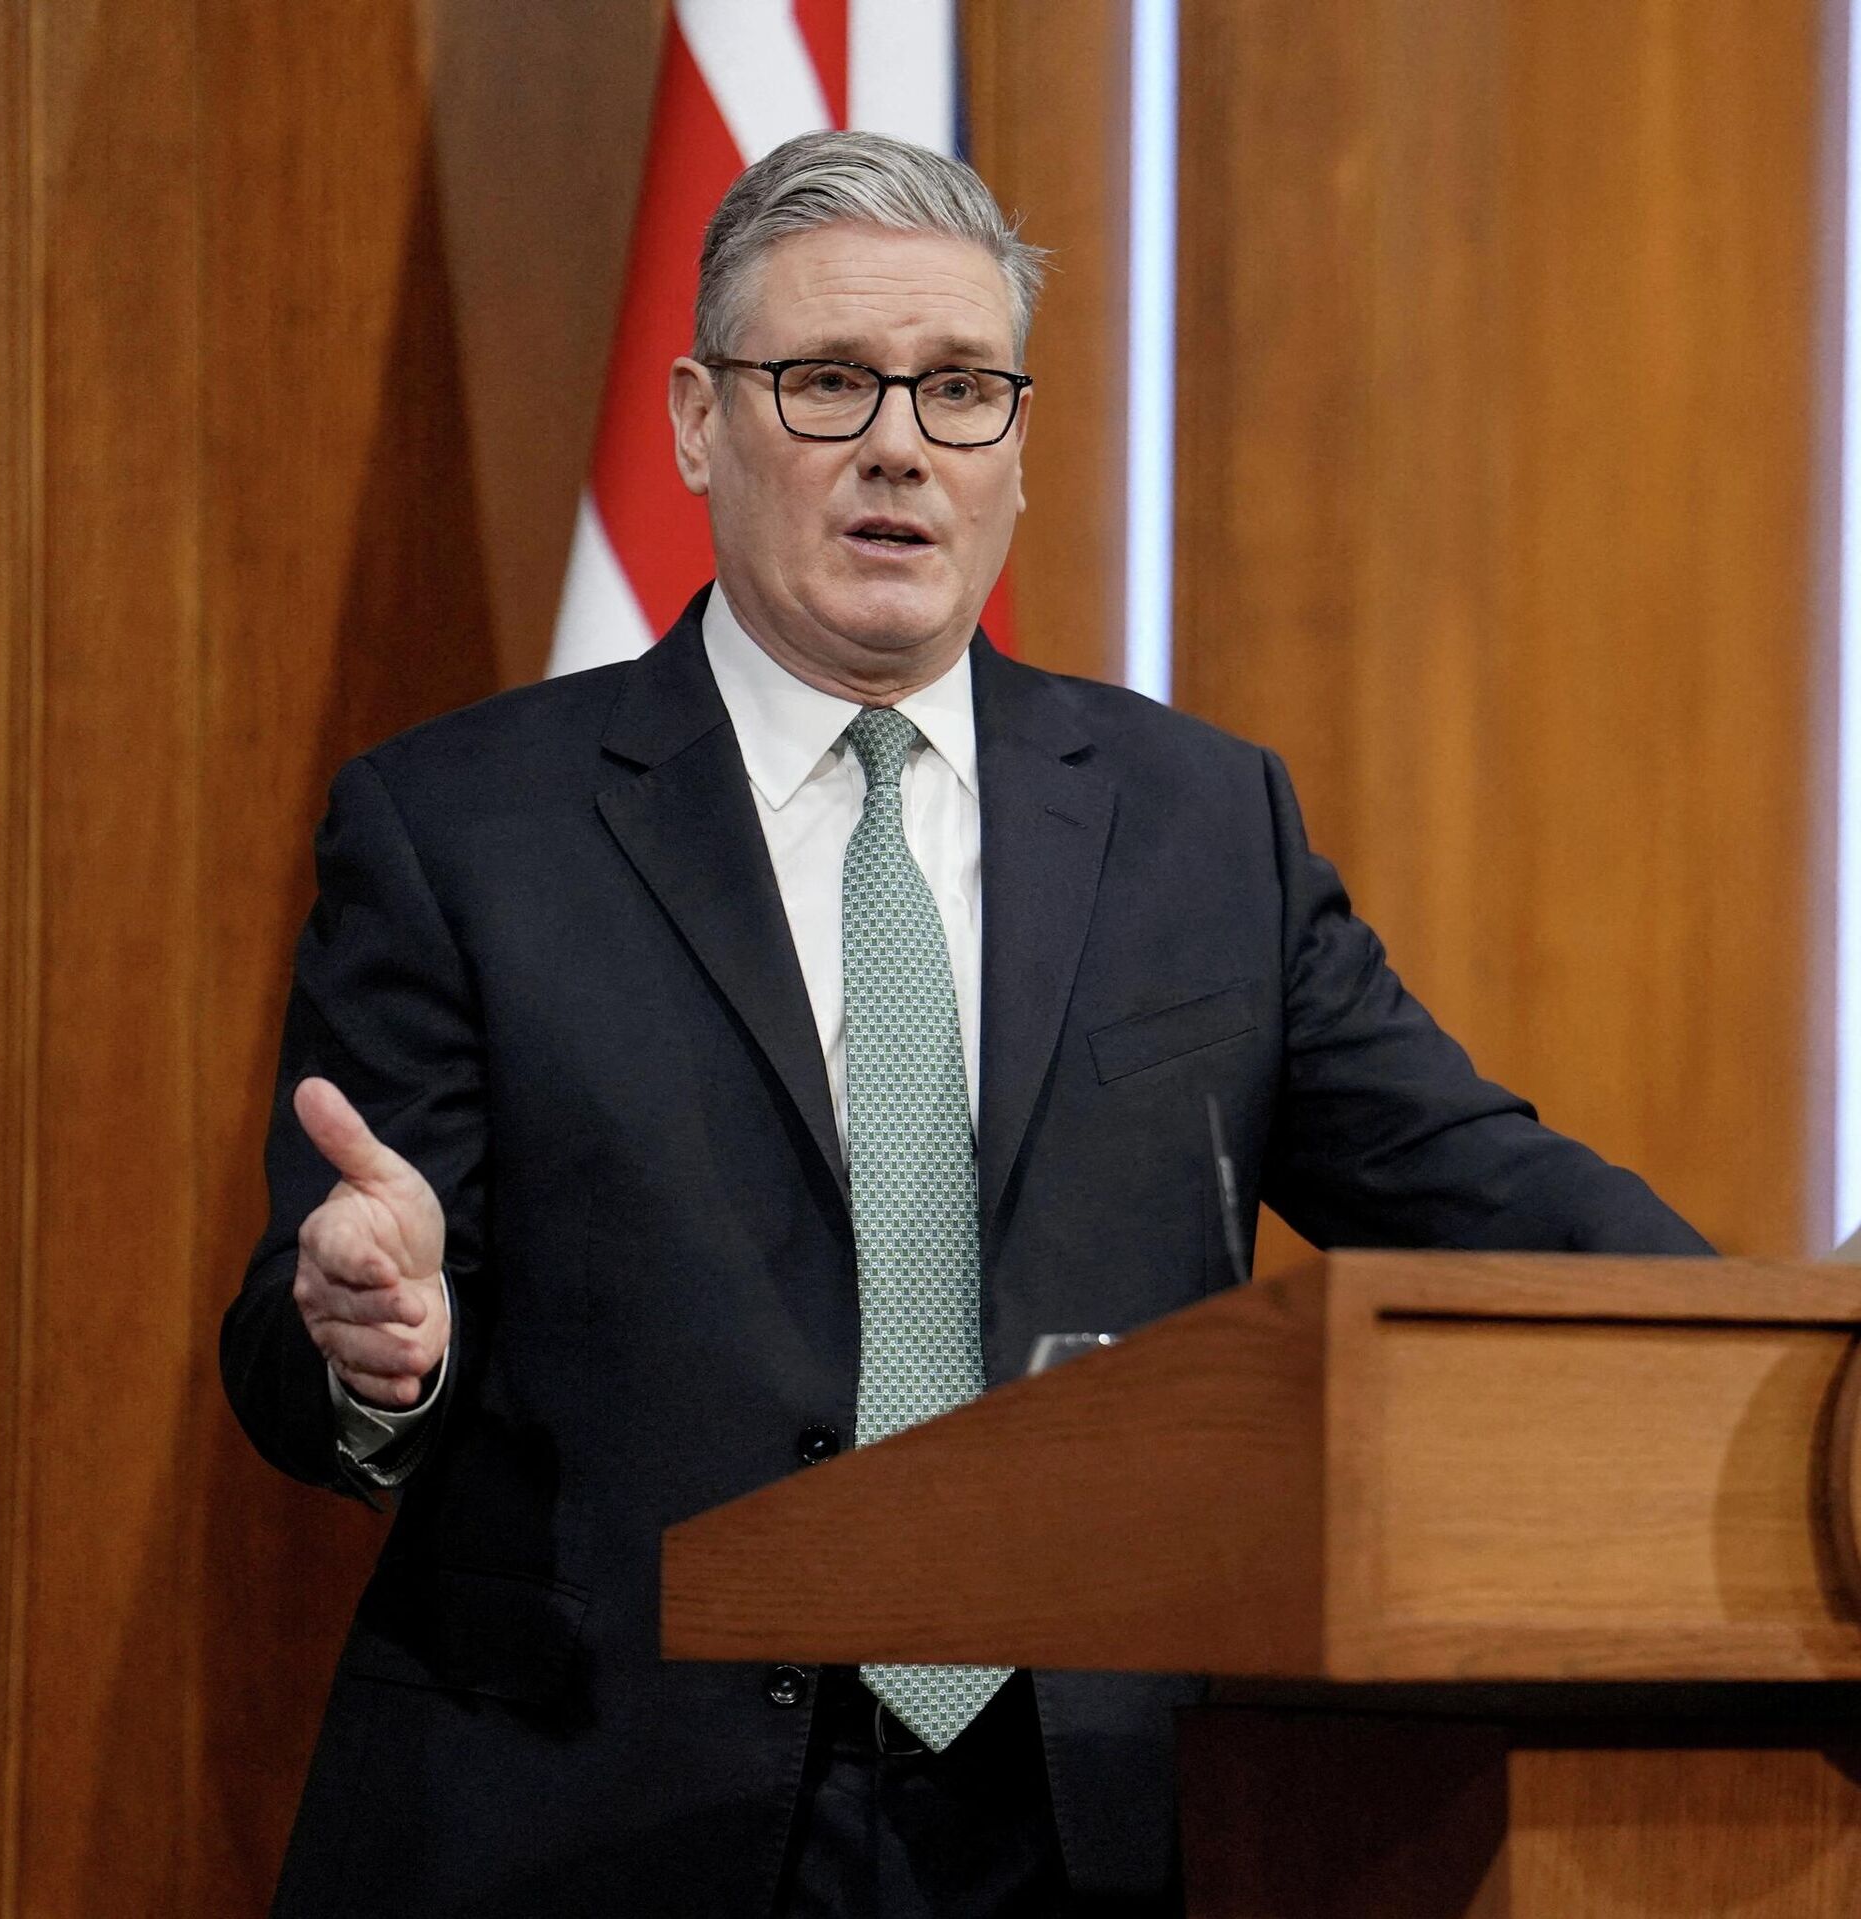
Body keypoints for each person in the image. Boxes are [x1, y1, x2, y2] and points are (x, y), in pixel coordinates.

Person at [221, 130, 1710, 1919]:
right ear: (697, 422)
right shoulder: (464, 827)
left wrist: (1773, 1359)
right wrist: (376, 1344)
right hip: (600, 1813)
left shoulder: (1199, 825)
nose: (900, 445)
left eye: (959, 389)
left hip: (1085, 1827)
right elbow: (302, 1348)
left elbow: (1481, 1193)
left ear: (1016, 444)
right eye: (828, 381)